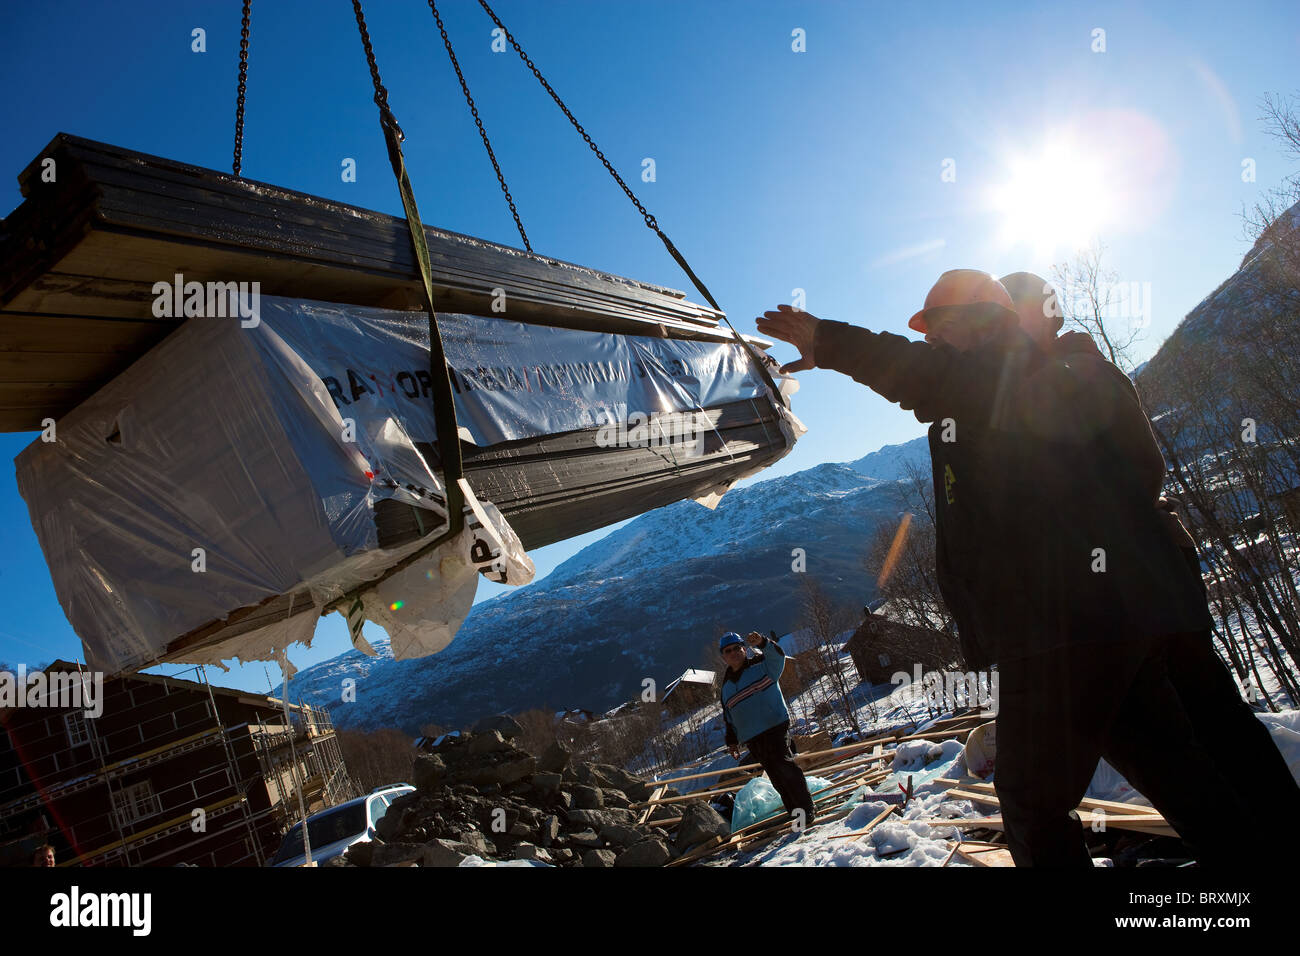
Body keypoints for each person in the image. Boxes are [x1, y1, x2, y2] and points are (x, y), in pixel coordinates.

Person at [756, 270, 1264, 866]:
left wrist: (833, 343)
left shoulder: (1010, 375)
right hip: (1102, 627)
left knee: (1029, 804)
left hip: (1063, 627)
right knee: (1179, 777)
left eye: (939, 330)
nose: (932, 344)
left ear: (980, 322)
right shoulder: (1000, 390)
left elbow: (928, 376)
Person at [1000, 271, 1300, 821]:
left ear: (1040, 317)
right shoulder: (1072, 371)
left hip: (1143, 584)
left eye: (1007, 317)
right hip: (1147, 581)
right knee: (1206, 729)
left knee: (1203, 729)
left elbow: (1118, 476)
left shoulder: (1074, 374)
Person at [719, 631, 815, 827]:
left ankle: (805, 811)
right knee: (775, 775)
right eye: (728, 651)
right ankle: (795, 814)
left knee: (785, 767)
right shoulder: (726, 687)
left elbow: (778, 656)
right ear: (724, 656)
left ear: (744, 649)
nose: (734, 653)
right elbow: (729, 717)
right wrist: (732, 742)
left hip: (775, 726)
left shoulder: (762, 665)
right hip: (752, 737)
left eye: (737, 648)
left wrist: (763, 642)